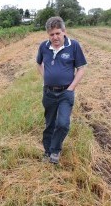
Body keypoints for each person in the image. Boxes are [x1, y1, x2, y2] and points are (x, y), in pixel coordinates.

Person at [36, 16, 87, 164]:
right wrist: (46, 78)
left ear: (64, 31)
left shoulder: (74, 46)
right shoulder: (44, 46)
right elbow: (38, 63)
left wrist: (71, 88)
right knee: (50, 123)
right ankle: (48, 152)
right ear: (48, 35)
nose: (55, 37)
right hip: (49, 92)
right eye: (51, 34)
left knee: (63, 123)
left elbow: (81, 69)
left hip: (66, 92)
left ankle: (55, 149)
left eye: (58, 33)